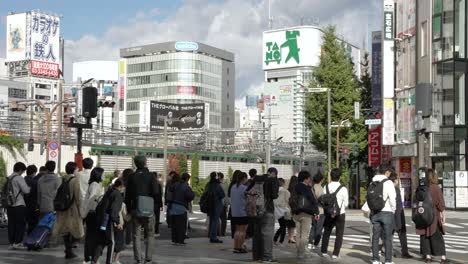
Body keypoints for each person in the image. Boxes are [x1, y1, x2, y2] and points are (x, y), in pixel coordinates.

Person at [125, 155, 160, 264]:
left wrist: (130, 210)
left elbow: (127, 196)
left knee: (136, 235)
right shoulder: (151, 176)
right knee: (150, 234)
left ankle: (138, 258)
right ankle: (148, 258)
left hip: (136, 209)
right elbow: (156, 193)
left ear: (135, 164)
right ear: (145, 163)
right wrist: (155, 207)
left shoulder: (132, 177)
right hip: (149, 210)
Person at [53, 162, 84, 259]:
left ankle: (68, 249)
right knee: (75, 230)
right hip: (72, 209)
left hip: (62, 209)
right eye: (77, 169)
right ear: (74, 170)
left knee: (65, 230)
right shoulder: (75, 181)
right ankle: (69, 250)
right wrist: (81, 209)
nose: (78, 171)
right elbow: (78, 197)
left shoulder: (61, 179)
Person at [248, 168, 279, 262]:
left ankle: (256, 256)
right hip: (267, 209)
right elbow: (274, 195)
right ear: (273, 173)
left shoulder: (256, 179)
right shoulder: (272, 180)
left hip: (254, 210)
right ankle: (266, 257)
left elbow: (247, 191)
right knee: (267, 234)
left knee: (257, 234)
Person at [416, 169, 447, 264]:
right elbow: (440, 204)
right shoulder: (436, 188)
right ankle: (443, 258)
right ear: (434, 176)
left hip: (422, 216)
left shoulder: (420, 188)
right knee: (437, 236)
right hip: (433, 216)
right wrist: (443, 216)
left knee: (424, 236)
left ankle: (428, 257)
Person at [93, 177, 125, 264]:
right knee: (112, 242)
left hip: (102, 219)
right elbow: (114, 210)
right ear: (121, 186)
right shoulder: (117, 195)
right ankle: (109, 262)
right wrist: (117, 222)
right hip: (109, 221)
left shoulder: (109, 192)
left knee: (102, 240)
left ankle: (94, 260)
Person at [370, 165, 396, 264]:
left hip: (375, 212)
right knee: (387, 237)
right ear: (387, 173)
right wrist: (393, 210)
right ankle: (388, 260)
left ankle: (375, 259)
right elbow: (393, 199)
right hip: (387, 212)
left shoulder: (372, 182)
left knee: (375, 237)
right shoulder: (388, 183)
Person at [320, 168, 349, 260]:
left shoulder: (326, 187)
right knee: (339, 234)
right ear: (340, 177)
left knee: (327, 232)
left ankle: (324, 251)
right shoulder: (343, 188)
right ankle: (335, 254)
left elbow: (324, 200)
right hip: (340, 214)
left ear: (331, 176)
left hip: (328, 213)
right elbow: (346, 203)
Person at [292, 171, 319, 259]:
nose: (310, 180)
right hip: (306, 214)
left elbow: (292, 199)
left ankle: (298, 251)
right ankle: (301, 253)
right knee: (304, 235)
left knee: (298, 233)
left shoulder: (295, 187)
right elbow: (313, 200)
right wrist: (316, 212)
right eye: (309, 178)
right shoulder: (308, 188)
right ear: (306, 178)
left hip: (296, 213)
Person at [82, 167, 105, 264]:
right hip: (94, 213)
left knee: (90, 236)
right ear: (99, 174)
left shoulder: (93, 184)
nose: (104, 175)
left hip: (91, 213)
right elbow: (92, 200)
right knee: (94, 236)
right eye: (103, 174)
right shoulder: (95, 185)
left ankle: (89, 256)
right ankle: (91, 257)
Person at [6, 162, 29, 250]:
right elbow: (26, 191)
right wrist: (29, 188)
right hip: (19, 204)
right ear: (20, 170)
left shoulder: (8, 178)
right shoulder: (19, 178)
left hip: (9, 204)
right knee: (20, 224)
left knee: (11, 224)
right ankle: (18, 242)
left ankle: (11, 243)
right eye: (22, 171)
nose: (22, 173)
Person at [389, 172, 412, 259]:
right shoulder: (395, 189)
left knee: (390, 234)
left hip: (391, 213)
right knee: (401, 233)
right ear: (395, 180)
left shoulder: (389, 188)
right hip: (398, 213)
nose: (398, 181)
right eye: (398, 179)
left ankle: (389, 250)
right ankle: (404, 252)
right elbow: (398, 204)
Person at [169, 172, 195, 245]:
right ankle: (180, 240)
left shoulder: (176, 184)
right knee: (181, 225)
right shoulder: (186, 186)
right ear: (187, 179)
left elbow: (170, 190)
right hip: (182, 206)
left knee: (175, 224)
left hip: (174, 206)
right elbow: (190, 196)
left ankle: (175, 240)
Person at [230, 172, 249, 253]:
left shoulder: (233, 187)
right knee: (242, 231)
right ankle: (240, 247)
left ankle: (235, 247)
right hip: (242, 212)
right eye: (246, 178)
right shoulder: (244, 188)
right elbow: (247, 199)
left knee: (237, 230)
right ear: (243, 178)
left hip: (234, 212)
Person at [112, 178, 130, 264]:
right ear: (121, 186)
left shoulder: (110, 195)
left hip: (110, 224)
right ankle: (116, 260)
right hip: (119, 224)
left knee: (112, 243)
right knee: (119, 244)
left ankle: (111, 259)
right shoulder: (121, 202)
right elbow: (125, 217)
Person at [206, 171, 225, 243]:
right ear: (216, 177)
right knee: (215, 220)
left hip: (209, 204)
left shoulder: (208, 184)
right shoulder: (217, 185)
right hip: (217, 204)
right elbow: (222, 195)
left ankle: (211, 236)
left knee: (211, 220)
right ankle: (213, 237)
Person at [309, 172, 325, 250]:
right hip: (320, 210)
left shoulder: (311, 187)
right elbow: (322, 200)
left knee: (313, 226)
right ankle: (316, 243)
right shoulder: (320, 188)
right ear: (321, 180)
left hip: (312, 210)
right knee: (319, 227)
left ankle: (310, 242)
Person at [273, 178, 290, 245]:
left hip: (276, 210)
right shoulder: (285, 191)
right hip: (284, 210)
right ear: (283, 183)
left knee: (282, 225)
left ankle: (277, 239)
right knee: (283, 226)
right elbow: (288, 200)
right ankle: (279, 240)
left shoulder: (274, 190)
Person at [121, 168, 134, 246]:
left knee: (122, 223)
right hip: (129, 205)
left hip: (121, 205)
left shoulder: (121, 183)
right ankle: (128, 241)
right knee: (129, 224)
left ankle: (120, 239)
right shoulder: (133, 183)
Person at [24, 165, 39, 234]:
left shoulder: (23, 180)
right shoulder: (35, 182)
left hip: (23, 205)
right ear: (34, 173)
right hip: (33, 205)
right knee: (33, 224)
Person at [228, 170, 241, 239]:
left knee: (233, 223)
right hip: (238, 207)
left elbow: (229, 196)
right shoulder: (238, 185)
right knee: (238, 225)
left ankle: (233, 236)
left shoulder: (231, 184)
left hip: (232, 206)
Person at [245, 168, 258, 239]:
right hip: (253, 202)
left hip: (247, 202)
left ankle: (248, 233)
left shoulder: (246, 182)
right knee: (253, 219)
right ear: (255, 174)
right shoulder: (255, 182)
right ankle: (251, 233)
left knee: (248, 219)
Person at [286, 176, 298, 243]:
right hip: (294, 208)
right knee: (293, 224)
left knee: (289, 224)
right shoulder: (296, 190)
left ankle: (290, 237)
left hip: (288, 208)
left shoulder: (288, 189)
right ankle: (292, 237)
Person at [152, 172, 163, 238]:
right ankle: (156, 231)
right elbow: (159, 195)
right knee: (157, 218)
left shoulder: (149, 184)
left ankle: (150, 230)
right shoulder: (158, 184)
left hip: (150, 203)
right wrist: (161, 205)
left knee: (150, 217)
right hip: (157, 203)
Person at [219, 172, 229, 237]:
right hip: (222, 205)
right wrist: (226, 205)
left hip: (216, 205)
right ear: (222, 178)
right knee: (223, 220)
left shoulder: (213, 185)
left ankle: (217, 232)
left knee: (216, 219)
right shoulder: (222, 185)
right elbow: (225, 196)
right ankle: (222, 233)